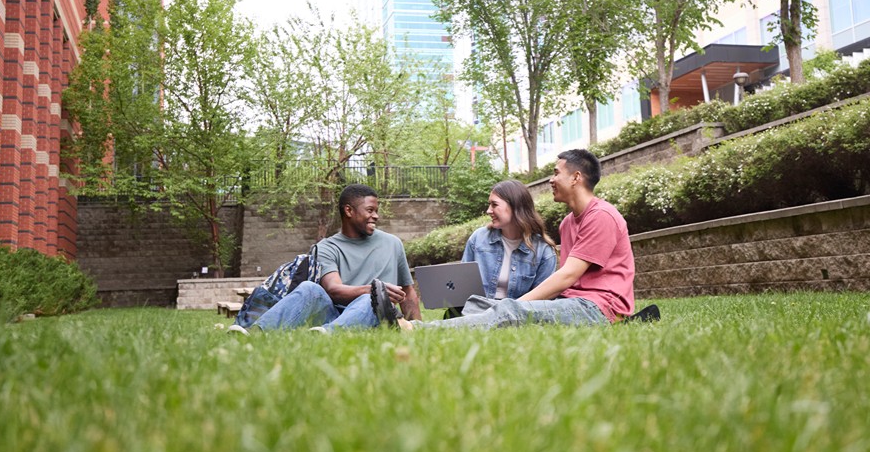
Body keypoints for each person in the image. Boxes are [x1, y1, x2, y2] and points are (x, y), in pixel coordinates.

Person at [372, 149, 637, 330]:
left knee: (508, 311)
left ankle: (414, 329)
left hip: (600, 308)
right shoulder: (569, 222)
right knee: (479, 305)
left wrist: (515, 305)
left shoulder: (601, 216)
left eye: (556, 172)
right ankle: (414, 324)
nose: (551, 179)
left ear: (576, 177)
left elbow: (566, 277)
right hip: (573, 302)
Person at [229, 184, 420, 335]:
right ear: (348, 211)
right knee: (309, 288)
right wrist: (375, 289)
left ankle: (327, 335)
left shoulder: (393, 244)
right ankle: (256, 333)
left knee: (371, 300)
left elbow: (408, 291)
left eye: (376, 210)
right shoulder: (326, 248)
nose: (376, 216)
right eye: (370, 210)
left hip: (378, 317)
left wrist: (416, 326)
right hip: (334, 314)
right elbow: (333, 289)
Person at [446, 179, 557, 317]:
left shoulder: (543, 251)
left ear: (515, 207)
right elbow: (462, 286)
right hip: (476, 310)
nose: (488, 211)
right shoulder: (478, 239)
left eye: (494, 205)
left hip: (518, 315)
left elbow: (542, 302)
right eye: (489, 205)